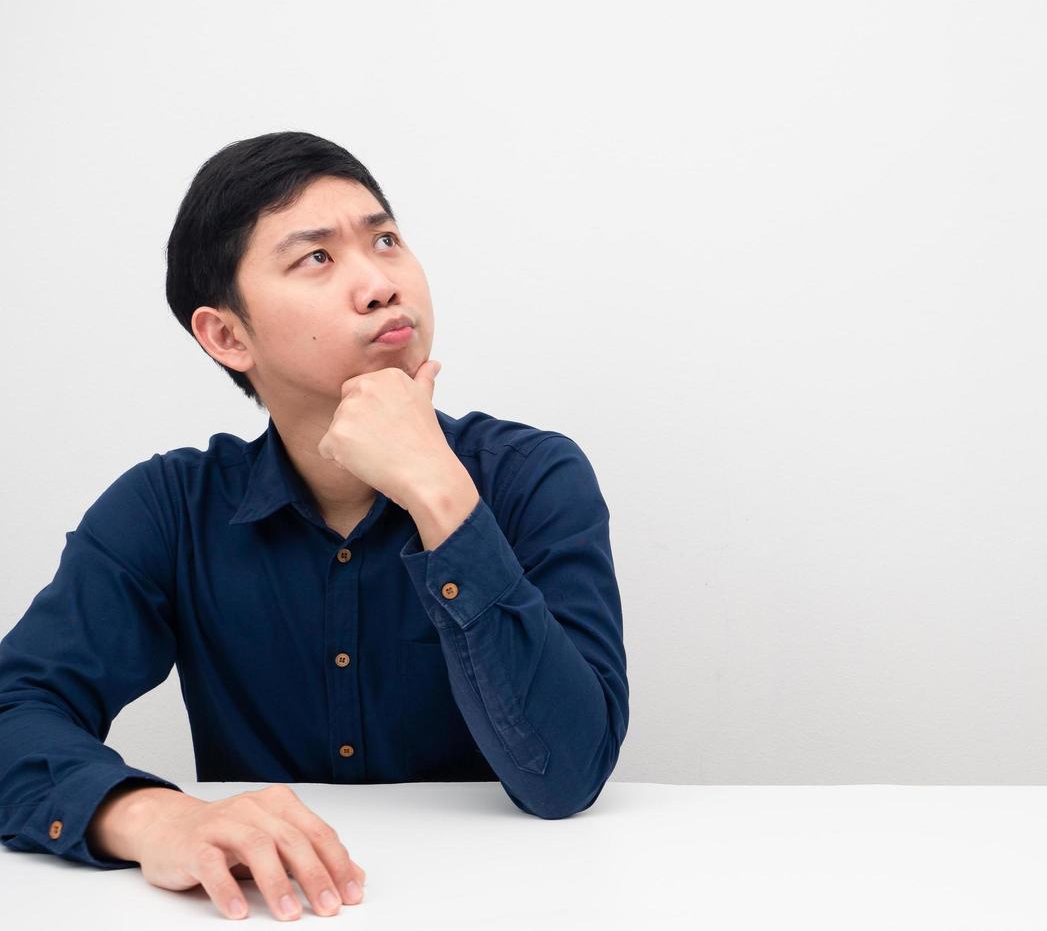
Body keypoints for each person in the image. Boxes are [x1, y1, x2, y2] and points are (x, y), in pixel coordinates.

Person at [0, 132, 629, 921]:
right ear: (228, 336)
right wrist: (151, 816)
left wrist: (440, 498)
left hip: (507, 907)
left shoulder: (531, 477)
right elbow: (13, 709)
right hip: (273, 912)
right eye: (316, 259)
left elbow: (565, 775)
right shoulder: (168, 509)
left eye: (386, 240)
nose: (377, 283)